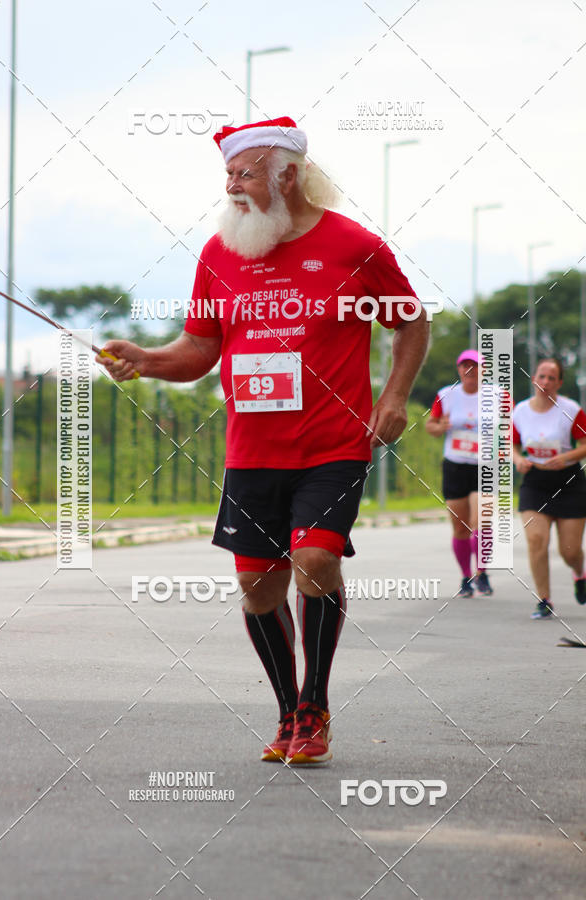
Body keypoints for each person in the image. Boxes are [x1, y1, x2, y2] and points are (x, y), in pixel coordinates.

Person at [97, 116, 429, 764]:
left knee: (313, 561)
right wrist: (144, 357)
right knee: (258, 587)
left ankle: (315, 704)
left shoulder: (352, 245)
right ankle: (287, 712)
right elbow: (198, 350)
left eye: (244, 173)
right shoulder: (221, 253)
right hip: (252, 450)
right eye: (227, 175)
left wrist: (393, 398)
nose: (233, 186)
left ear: (288, 174)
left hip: (333, 443)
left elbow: (410, 323)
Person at [512, 358, 586, 619]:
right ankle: (544, 599)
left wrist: (565, 458)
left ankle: (579, 572)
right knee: (536, 540)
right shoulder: (520, 411)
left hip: (568, 482)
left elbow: (584, 444)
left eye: (551, 378)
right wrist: (518, 459)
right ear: (533, 378)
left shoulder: (571, 409)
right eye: (541, 376)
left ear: (559, 383)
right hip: (535, 482)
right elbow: (511, 444)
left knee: (570, 551)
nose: (545, 382)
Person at [425, 349, 493, 598]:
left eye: (474, 366)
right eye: (465, 366)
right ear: (459, 370)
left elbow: (512, 426)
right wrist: (440, 426)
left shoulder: (496, 396)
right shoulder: (446, 395)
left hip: (484, 465)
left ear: (484, 370)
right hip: (455, 465)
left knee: (481, 522)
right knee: (460, 527)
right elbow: (430, 426)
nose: (469, 371)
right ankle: (466, 576)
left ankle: (482, 572)